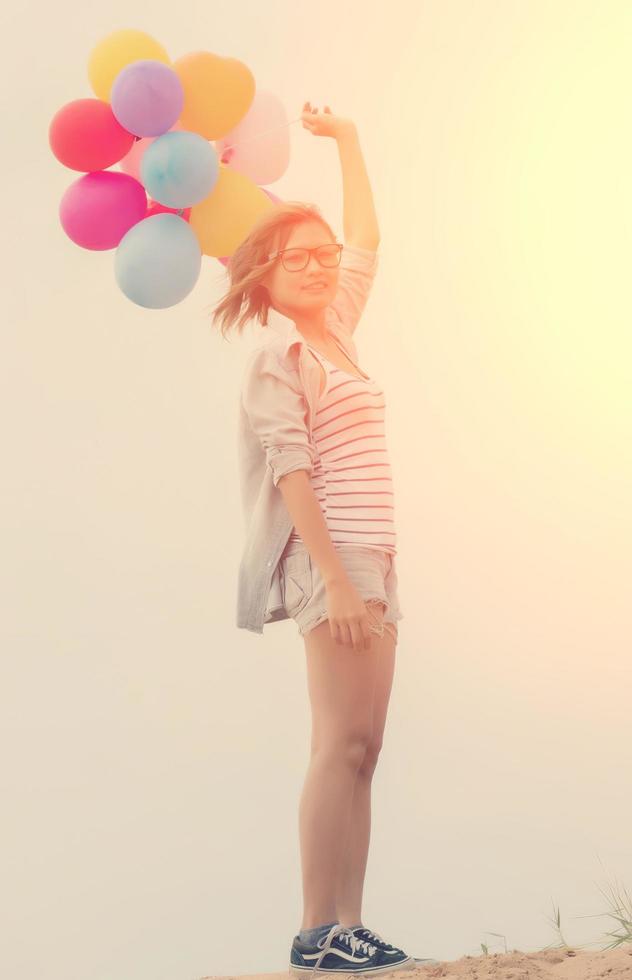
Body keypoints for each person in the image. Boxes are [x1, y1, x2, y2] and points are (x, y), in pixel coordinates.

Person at [211, 103, 414, 975]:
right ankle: (313, 930)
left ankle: (349, 923)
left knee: (367, 751)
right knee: (338, 742)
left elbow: (366, 236)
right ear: (265, 273)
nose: (322, 266)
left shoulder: (339, 331)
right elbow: (293, 475)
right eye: (300, 258)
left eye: (325, 257)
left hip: (377, 564)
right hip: (329, 567)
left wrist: (350, 144)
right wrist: (333, 578)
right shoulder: (278, 357)